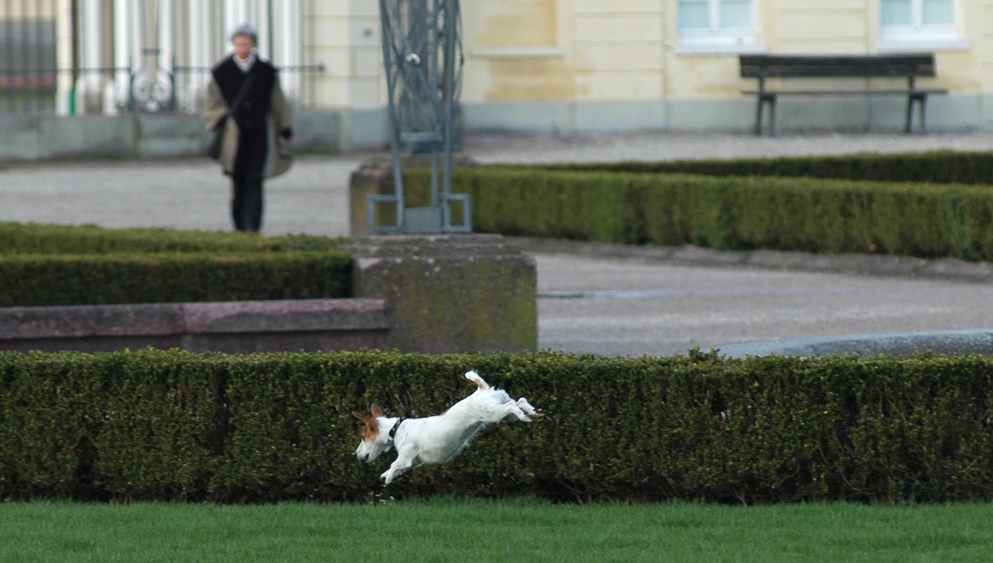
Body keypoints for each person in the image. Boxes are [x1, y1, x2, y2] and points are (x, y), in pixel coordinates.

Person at [204, 24, 293, 233]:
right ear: (234, 45)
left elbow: (278, 103)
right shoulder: (221, 72)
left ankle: (252, 226)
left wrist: (285, 130)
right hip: (233, 137)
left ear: (253, 45)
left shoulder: (266, 72)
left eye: (246, 43)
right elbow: (211, 103)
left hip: (260, 135)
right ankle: (239, 226)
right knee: (238, 184)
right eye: (239, 43)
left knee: (255, 181)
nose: (243, 47)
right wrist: (220, 120)